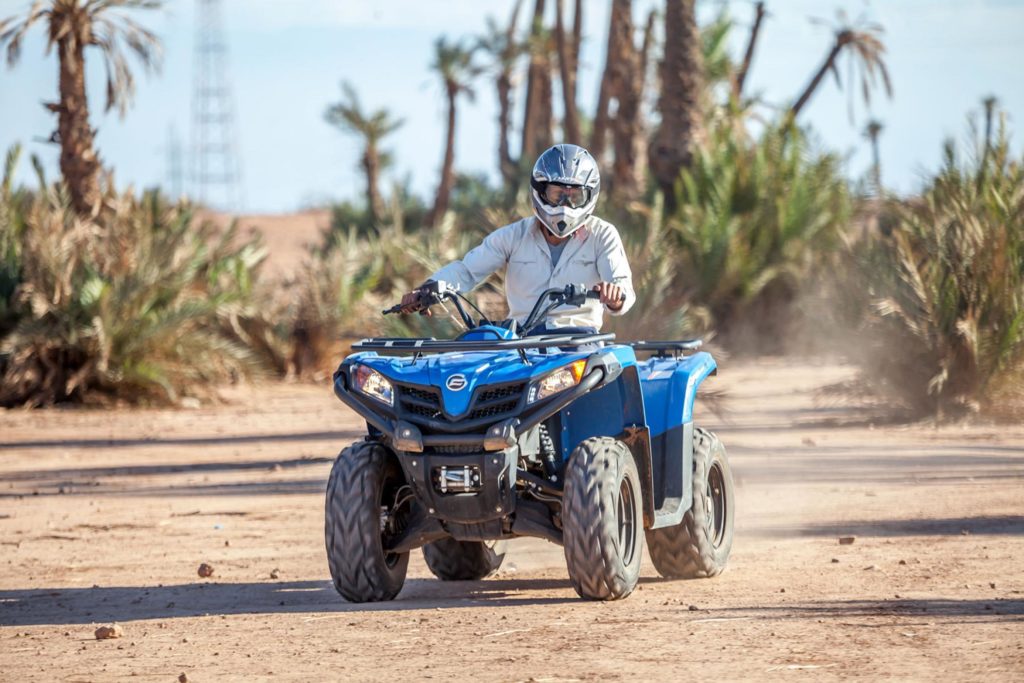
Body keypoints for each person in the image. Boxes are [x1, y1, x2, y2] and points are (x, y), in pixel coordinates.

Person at [400, 143, 634, 333]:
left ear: (589, 196)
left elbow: (623, 286)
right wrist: (427, 290)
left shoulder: (602, 235)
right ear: (540, 191)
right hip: (521, 344)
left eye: (575, 196)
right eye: (557, 194)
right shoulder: (514, 236)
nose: (565, 205)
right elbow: (467, 270)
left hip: (579, 345)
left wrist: (614, 296)